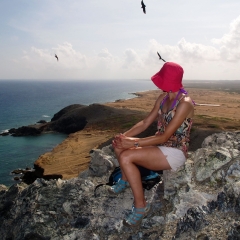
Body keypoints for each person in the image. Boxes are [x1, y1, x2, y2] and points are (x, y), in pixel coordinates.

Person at [109, 62, 195, 228]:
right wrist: (124, 137)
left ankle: (141, 206)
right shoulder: (163, 98)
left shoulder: (185, 103)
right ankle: (126, 180)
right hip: (159, 145)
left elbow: (165, 137)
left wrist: (133, 143)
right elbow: (145, 122)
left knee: (126, 156)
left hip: (175, 151)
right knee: (119, 146)